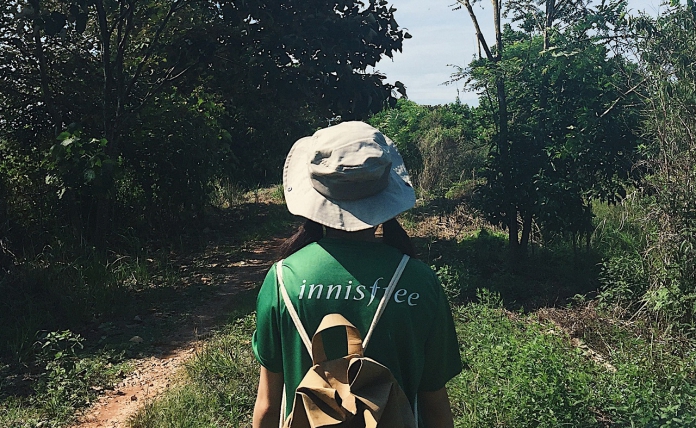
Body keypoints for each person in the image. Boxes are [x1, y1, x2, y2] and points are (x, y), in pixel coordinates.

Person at [252, 121, 462, 428]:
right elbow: (435, 407)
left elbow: (269, 406)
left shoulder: (283, 280)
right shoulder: (419, 281)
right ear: (386, 193)